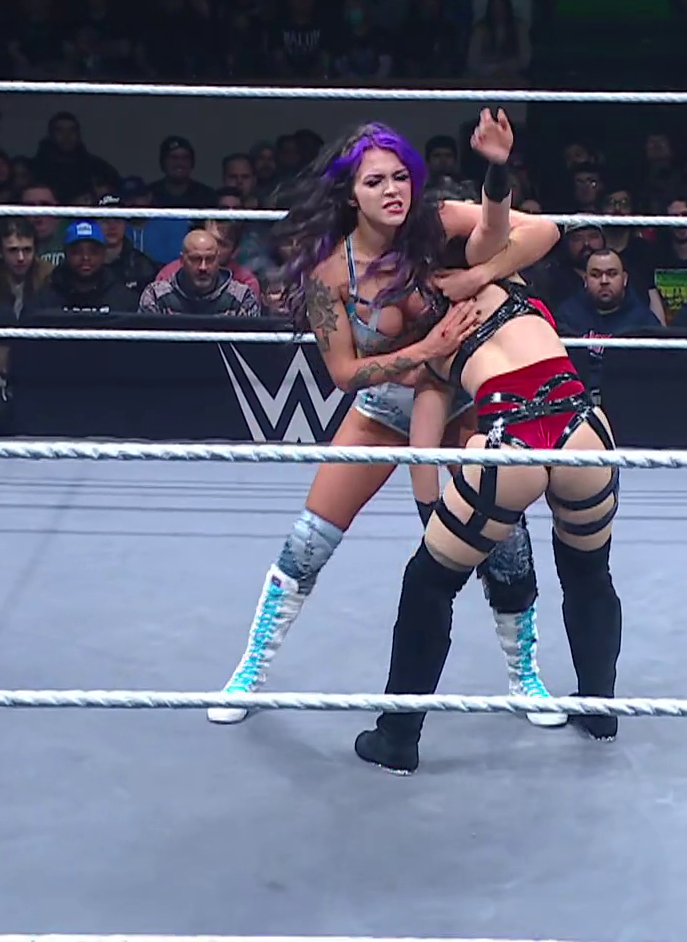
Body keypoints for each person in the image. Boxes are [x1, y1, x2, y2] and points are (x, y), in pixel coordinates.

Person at [207, 114, 568, 727]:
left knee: (505, 540)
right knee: (308, 542)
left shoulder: (437, 222)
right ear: (351, 194)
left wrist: (478, 273)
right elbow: (344, 373)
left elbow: (542, 231)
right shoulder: (330, 274)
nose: (393, 190)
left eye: (400, 176)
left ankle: (524, 676)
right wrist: (426, 349)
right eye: (376, 181)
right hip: (380, 411)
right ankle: (250, 671)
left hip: (460, 409)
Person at [355, 183, 624, 775]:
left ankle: (397, 736)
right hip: (582, 424)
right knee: (588, 571)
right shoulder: (513, 279)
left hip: (511, 437)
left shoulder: (436, 330)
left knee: (429, 582)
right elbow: (533, 228)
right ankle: (600, 709)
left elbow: (425, 431)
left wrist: (429, 509)